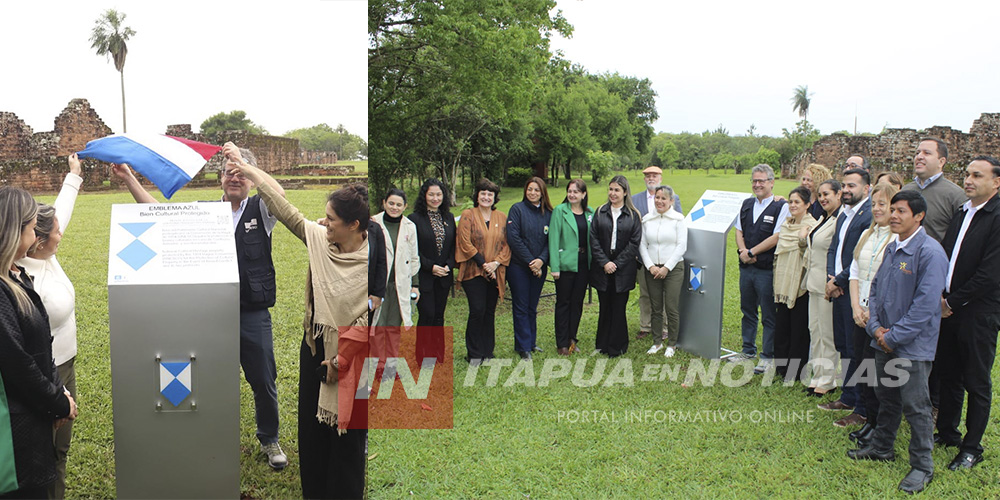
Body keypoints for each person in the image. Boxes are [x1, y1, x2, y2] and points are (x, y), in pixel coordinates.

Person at [112, 142, 289, 468]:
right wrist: (128, 178)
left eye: (241, 175)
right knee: (205, 379)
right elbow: (158, 214)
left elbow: (279, 195)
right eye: (228, 173)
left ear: (250, 180)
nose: (234, 179)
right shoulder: (204, 212)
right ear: (219, 179)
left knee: (263, 379)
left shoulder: (261, 212)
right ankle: (209, 436)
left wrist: (245, 164)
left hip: (252, 313)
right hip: (209, 314)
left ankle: (269, 439)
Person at [230, 160, 368, 499]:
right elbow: (285, 208)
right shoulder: (323, 242)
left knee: (348, 437)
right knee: (313, 431)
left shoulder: (374, 260)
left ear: (353, 225)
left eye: (332, 219)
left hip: (354, 357)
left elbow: (373, 318)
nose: (324, 223)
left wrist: (340, 360)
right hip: (316, 347)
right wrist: (248, 169)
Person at [849, 190, 947, 495]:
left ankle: (922, 466)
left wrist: (893, 336)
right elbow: (876, 291)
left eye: (900, 211)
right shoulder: (893, 247)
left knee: (916, 406)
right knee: (886, 397)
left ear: (918, 216)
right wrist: (877, 330)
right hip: (883, 340)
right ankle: (882, 447)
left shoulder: (930, 253)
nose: (893, 215)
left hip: (911, 346)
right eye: (892, 210)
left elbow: (925, 306)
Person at [0, 186, 78, 499]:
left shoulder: (15, 274)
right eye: (33, 230)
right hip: (17, 429)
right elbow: (17, 362)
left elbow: (38, 346)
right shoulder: (5, 290)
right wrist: (57, 401)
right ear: (14, 231)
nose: (36, 238)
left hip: (38, 407)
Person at [935, 156, 1000, 470]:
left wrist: (952, 302)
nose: (969, 180)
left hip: (978, 312)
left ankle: (972, 448)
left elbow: (990, 274)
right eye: (967, 174)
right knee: (948, 374)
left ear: (996, 182)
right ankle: (947, 432)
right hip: (950, 307)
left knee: (976, 381)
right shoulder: (963, 212)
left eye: (977, 175)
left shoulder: (997, 216)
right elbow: (948, 254)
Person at [846, 183, 899, 447]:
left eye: (883, 204)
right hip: (860, 313)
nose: (877, 209)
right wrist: (856, 307)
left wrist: (872, 313)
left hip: (880, 318)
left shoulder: (897, 238)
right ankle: (869, 420)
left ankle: (881, 427)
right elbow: (855, 272)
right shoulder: (868, 234)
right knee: (863, 369)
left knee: (880, 376)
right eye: (874, 203)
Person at [819, 167, 871, 428]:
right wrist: (831, 277)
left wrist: (839, 280)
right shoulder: (843, 213)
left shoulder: (869, 215)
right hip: (837, 287)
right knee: (843, 346)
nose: (847, 190)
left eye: (853, 185)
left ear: (867, 189)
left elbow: (861, 257)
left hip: (853, 290)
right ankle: (848, 396)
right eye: (845, 186)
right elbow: (834, 249)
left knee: (856, 349)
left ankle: (861, 406)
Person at [733, 164, 790, 374]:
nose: (757, 184)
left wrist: (751, 252)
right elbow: (739, 230)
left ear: (771, 182)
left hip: (766, 270)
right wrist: (742, 251)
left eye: (761, 181)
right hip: (746, 268)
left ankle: (767, 357)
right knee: (747, 310)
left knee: (768, 315)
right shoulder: (746, 204)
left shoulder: (780, 206)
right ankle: (747, 350)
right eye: (754, 181)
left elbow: (777, 236)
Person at [455, 179, 510, 364]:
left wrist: (495, 264)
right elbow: (464, 242)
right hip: (473, 271)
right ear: (477, 195)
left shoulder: (501, 217)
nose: (486, 197)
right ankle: (474, 352)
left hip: (495, 272)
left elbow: (506, 244)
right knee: (477, 310)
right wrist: (483, 264)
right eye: (483, 193)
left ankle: (488, 351)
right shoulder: (468, 215)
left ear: (494, 198)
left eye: (490, 194)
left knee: (489, 311)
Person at [590, 175, 642, 357]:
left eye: (617, 190)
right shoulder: (600, 212)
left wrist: (616, 264)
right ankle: (602, 344)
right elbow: (593, 239)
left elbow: (634, 243)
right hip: (602, 267)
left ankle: (617, 346)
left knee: (619, 307)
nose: (613, 193)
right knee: (605, 306)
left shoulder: (633, 215)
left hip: (623, 268)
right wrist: (605, 262)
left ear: (625, 192)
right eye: (610, 189)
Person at [372, 189, 419, 378]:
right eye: (391, 203)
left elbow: (414, 258)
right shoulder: (373, 223)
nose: (394, 207)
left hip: (399, 285)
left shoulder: (410, 226)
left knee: (393, 327)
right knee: (377, 326)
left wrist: (415, 285)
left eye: (399, 204)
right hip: (377, 286)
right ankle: (377, 365)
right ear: (384, 203)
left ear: (405, 207)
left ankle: (391, 366)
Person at [771, 186, 817, 382]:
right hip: (783, 284)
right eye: (790, 201)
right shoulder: (786, 225)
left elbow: (810, 255)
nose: (793, 205)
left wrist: (802, 240)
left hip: (800, 285)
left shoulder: (812, 226)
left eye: (797, 202)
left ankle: (796, 372)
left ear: (807, 205)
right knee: (782, 328)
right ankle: (781, 369)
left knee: (798, 330)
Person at [408, 179, 455, 363]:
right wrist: (431, 267)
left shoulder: (449, 218)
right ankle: (423, 355)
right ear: (424, 196)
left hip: (444, 275)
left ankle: (438, 354)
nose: (435, 198)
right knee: (426, 314)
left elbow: (453, 246)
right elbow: (413, 251)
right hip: (424, 276)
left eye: (439, 194)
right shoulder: (414, 219)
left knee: (438, 315)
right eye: (431, 194)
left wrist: (448, 266)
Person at [631, 166, 681, 341]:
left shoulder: (674, 198)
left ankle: (665, 327)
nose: (651, 178)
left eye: (654, 175)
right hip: (644, 256)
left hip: (668, 258)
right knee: (646, 293)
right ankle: (646, 325)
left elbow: (678, 223)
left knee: (667, 296)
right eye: (648, 176)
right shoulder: (635, 199)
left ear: (660, 177)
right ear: (644, 179)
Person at [506, 177, 553, 360]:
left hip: (540, 268)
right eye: (530, 189)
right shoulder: (517, 210)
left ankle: (532, 342)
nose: (532, 193)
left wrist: (541, 260)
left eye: (536, 190)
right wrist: (531, 262)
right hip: (519, 267)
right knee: (521, 305)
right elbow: (513, 238)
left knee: (532, 306)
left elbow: (552, 240)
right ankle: (523, 346)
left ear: (542, 193)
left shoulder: (548, 213)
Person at [804, 180, 843, 396]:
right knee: (815, 331)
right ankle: (817, 374)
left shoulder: (840, 221)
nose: (823, 198)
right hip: (813, 283)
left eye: (827, 194)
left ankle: (828, 379)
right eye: (820, 195)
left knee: (827, 333)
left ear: (839, 195)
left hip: (827, 286)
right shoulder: (822, 218)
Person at [638, 185, 687, 358]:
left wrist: (667, 267)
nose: (660, 201)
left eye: (664, 198)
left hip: (673, 268)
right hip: (652, 268)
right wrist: (651, 266)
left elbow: (682, 245)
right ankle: (657, 342)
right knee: (656, 307)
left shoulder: (678, 219)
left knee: (671, 307)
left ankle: (672, 344)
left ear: (671, 201)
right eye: (657, 197)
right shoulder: (647, 219)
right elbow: (642, 244)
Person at [548, 179, 593, 356]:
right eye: (570, 191)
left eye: (576, 192)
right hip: (565, 265)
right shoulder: (560, 211)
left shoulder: (590, 213)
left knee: (577, 303)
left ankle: (572, 338)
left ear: (583, 194)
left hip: (583, 265)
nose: (572, 194)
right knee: (563, 303)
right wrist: (555, 266)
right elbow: (553, 239)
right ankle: (562, 343)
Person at [900, 138, 966, 243]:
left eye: (927, 153)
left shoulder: (956, 195)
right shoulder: (905, 191)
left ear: (941, 162)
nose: (919, 157)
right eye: (917, 153)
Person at [369, 219, 387, 326]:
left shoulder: (374, 228)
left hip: (368, 295)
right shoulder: (337, 225)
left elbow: (381, 262)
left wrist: (378, 293)